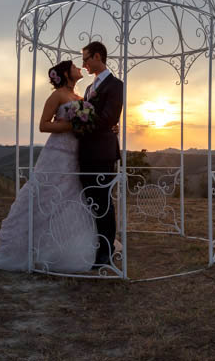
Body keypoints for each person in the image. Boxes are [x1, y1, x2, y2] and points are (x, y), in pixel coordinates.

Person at [0, 60, 97, 273]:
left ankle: (64, 246)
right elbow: (44, 124)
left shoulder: (79, 97)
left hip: (76, 154)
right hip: (57, 153)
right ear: (66, 74)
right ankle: (28, 246)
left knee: (71, 197)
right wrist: (71, 124)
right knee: (46, 195)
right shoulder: (57, 96)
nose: (79, 68)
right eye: (74, 66)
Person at [78, 41, 124, 266]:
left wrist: (80, 122)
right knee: (89, 201)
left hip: (103, 153)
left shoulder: (115, 85)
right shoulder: (88, 88)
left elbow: (109, 118)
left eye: (86, 59)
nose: (84, 64)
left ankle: (105, 253)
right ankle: (92, 244)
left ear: (97, 57)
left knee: (104, 203)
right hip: (85, 152)